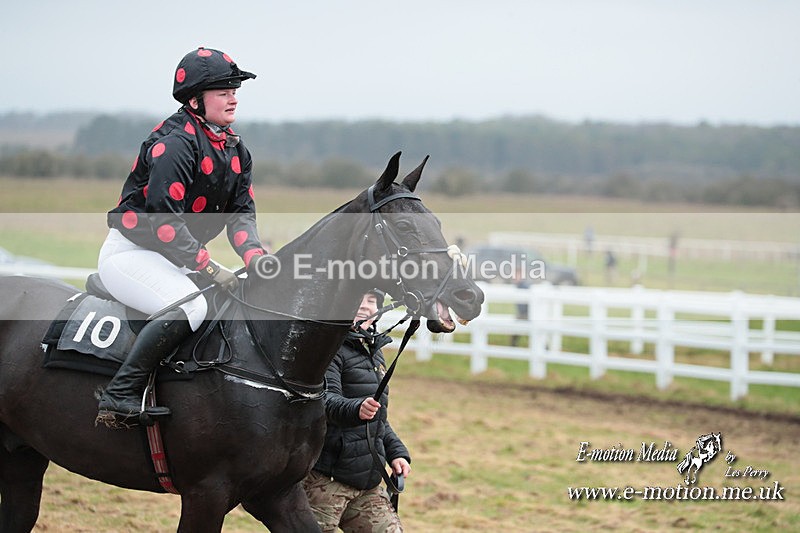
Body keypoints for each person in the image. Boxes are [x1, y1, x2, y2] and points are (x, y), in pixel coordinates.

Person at [95, 47, 270, 429]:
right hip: (132, 254)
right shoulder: (174, 143)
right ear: (195, 99)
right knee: (191, 308)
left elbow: (241, 215)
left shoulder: (236, 150)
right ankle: (119, 393)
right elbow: (165, 225)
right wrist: (209, 266)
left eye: (234, 90)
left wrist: (255, 257)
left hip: (174, 258)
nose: (234, 97)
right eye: (223, 91)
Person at [304, 290, 411, 532]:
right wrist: (355, 408)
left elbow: (378, 416)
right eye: (358, 299)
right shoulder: (328, 350)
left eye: (372, 301)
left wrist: (396, 452)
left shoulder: (373, 352)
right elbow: (324, 401)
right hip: (325, 482)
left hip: (368, 484)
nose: (365, 306)